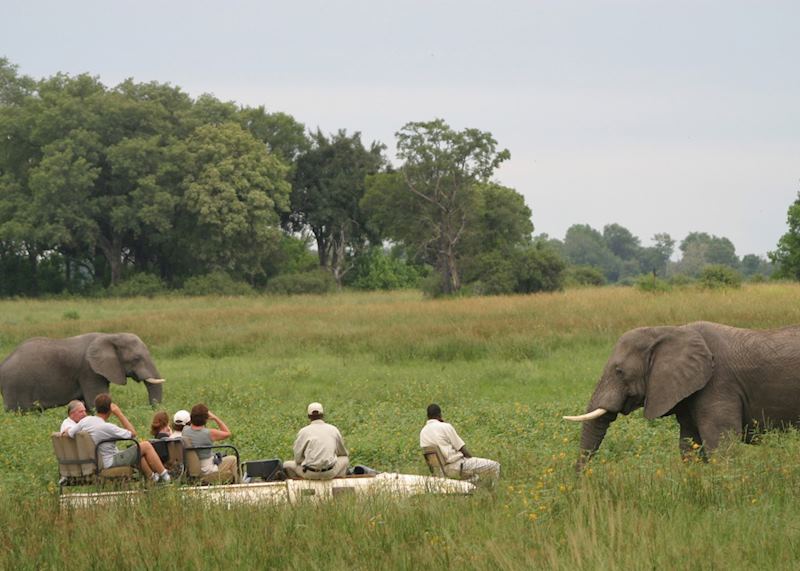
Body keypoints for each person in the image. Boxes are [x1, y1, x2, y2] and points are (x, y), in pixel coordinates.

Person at [67, 393, 171, 482]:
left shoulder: (86, 420)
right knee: (145, 446)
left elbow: (69, 433)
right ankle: (166, 476)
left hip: (101, 459)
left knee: (139, 452)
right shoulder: (108, 427)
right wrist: (119, 413)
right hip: (110, 461)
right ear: (110, 410)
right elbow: (133, 433)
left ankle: (153, 479)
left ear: (96, 407)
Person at [419, 403, 500, 483]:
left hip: (440, 471)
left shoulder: (423, 432)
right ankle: (494, 490)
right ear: (439, 415)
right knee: (495, 466)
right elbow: (462, 448)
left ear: (428, 416)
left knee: (475, 478)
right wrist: (471, 459)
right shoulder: (445, 426)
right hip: (456, 466)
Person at [283, 402, 349, 480]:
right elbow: (342, 453)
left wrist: (309, 461)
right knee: (344, 458)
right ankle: (337, 482)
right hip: (329, 473)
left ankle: (298, 484)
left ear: (308, 416)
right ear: (323, 415)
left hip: (309, 473)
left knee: (286, 464)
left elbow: (298, 459)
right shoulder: (333, 429)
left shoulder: (303, 431)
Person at [181, 403, 239, 483]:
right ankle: (239, 483)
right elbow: (227, 433)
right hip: (207, 470)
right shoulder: (209, 433)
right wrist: (215, 418)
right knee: (233, 459)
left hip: (192, 468)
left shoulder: (185, 430)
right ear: (206, 419)